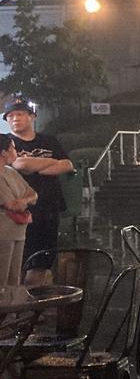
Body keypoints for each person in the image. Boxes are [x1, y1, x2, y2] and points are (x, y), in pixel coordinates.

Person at [4, 100, 73, 285]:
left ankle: (36, 305)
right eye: (10, 116)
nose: (14, 119)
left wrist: (33, 165)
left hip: (49, 207)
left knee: (43, 259)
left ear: (32, 116)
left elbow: (67, 164)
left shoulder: (49, 140)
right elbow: (19, 164)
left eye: (19, 114)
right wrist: (50, 163)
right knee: (15, 259)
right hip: (18, 211)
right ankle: (13, 305)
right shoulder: (6, 142)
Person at [0, 134, 36, 286]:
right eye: (13, 148)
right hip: (3, 229)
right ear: (3, 152)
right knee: (2, 277)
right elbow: (11, 204)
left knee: (14, 278)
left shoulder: (10, 171)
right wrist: (23, 200)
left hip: (18, 230)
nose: (16, 151)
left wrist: (23, 200)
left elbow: (33, 194)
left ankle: (12, 309)